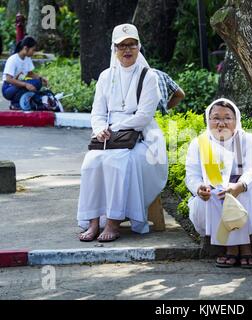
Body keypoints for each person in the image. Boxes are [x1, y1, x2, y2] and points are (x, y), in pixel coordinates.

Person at [77, 24, 168, 242]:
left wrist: (115, 128)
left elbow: (144, 116)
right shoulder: (106, 76)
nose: (127, 50)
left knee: (120, 162)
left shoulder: (149, 76)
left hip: (142, 135)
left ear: (138, 47)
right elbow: (97, 112)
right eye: (121, 46)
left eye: (131, 45)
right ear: (114, 49)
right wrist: (100, 129)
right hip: (109, 137)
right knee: (92, 161)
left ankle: (113, 221)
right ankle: (93, 222)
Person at [186, 98, 252, 268]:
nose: (221, 123)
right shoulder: (200, 143)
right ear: (208, 120)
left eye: (227, 118)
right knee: (217, 192)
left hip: (246, 191)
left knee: (241, 192)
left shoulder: (248, 140)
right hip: (213, 195)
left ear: (236, 120)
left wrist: (240, 185)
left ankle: (245, 248)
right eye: (216, 117)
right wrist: (199, 188)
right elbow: (192, 175)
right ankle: (230, 248)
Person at [2, 36, 49, 110]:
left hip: (18, 85)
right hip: (8, 88)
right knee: (29, 85)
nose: (33, 53)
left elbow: (29, 74)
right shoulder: (13, 59)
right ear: (26, 48)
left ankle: (20, 102)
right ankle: (15, 104)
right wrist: (26, 84)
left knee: (38, 82)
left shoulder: (27, 58)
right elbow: (8, 79)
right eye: (33, 50)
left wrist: (41, 78)